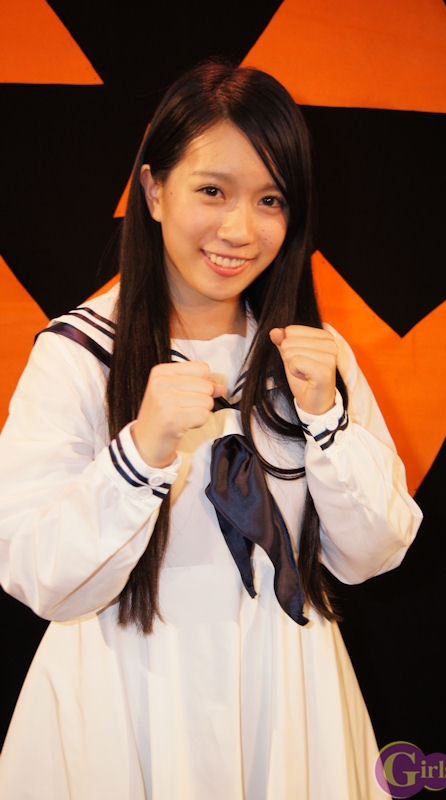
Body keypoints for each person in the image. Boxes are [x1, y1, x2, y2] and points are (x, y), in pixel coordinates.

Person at [0, 60, 422, 799]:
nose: (239, 229)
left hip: (291, 705)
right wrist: (140, 453)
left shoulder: (313, 358)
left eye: (270, 199)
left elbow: (373, 554)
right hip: (126, 707)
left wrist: (326, 420)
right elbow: (35, 571)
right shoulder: (79, 354)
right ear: (154, 190)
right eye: (212, 191)